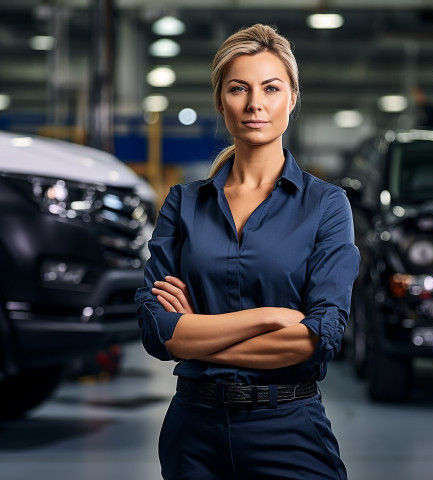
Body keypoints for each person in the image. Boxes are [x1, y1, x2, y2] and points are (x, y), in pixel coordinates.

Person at [135, 23, 360, 480]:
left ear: (291, 98)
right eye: (239, 89)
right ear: (221, 101)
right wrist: (269, 316)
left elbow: (320, 337)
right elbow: (157, 329)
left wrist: (194, 338)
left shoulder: (325, 205)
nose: (255, 104)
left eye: (271, 88)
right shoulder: (183, 203)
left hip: (288, 429)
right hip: (192, 435)